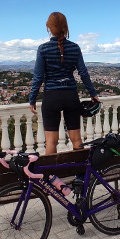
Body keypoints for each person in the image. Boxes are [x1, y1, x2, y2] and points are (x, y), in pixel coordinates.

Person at [29, 12, 99, 155]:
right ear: (66, 27)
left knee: (51, 142)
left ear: (49, 27)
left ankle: (51, 175)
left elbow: (38, 77)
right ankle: (81, 174)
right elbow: (83, 73)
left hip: (51, 96)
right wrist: (93, 94)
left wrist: (32, 99)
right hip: (70, 96)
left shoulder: (43, 49)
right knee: (76, 139)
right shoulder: (75, 47)